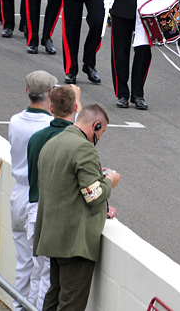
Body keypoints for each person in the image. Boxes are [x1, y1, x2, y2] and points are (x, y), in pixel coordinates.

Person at [33, 104, 119, 311]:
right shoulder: (84, 148)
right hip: (76, 244)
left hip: (53, 237)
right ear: (96, 125)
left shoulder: (52, 143)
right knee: (71, 305)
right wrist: (110, 180)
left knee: (53, 297)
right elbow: (93, 194)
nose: (99, 137)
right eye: (102, 132)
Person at [25, 84, 80, 310]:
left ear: (50, 107)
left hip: (33, 210)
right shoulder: (73, 141)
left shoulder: (37, 137)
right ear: (75, 108)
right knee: (47, 281)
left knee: (34, 275)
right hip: (51, 215)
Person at [8, 71, 55, 311]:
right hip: (37, 199)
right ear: (50, 94)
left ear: (27, 92)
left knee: (23, 264)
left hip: (18, 194)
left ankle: (18, 308)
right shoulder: (49, 125)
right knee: (41, 268)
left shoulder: (15, 120)